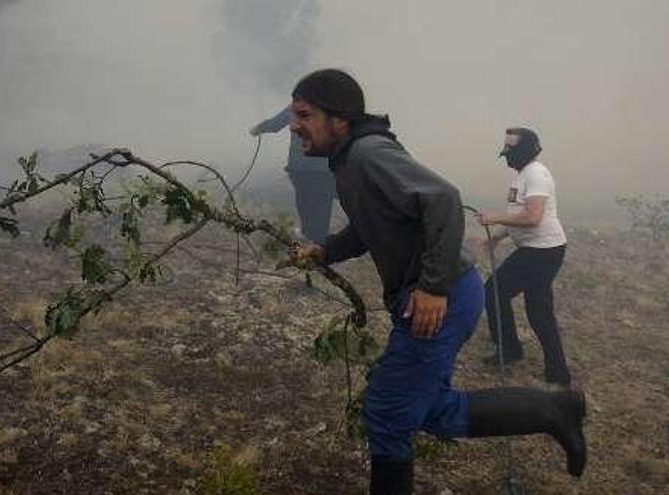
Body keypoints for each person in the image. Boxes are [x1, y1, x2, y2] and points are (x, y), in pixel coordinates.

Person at [288, 70, 586, 494]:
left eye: (304, 114)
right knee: (426, 409)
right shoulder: (349, 162)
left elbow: (442, 199)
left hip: (440, 295)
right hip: (440, 293)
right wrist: (325, 250)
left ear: (339, 120)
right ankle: (553, 409)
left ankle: (556, 410)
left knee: (388, 413)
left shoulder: (368, 153)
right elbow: (367, 226)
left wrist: (432, 287)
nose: (294, 124)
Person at [477, 128, 572, 387]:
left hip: (542, 251)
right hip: (539, 249)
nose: (506, 154)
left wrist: (495, 217)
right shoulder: (522, 176)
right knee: (537, 309)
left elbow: (533, 217)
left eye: (510, 149)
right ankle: (556, 371)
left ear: (525, 150)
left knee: (495, 292)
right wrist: (497, 236)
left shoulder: (536, 174)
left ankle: (510, 351)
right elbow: (518, 215)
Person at [250, 105, 336, 243]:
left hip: (301, 168)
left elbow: (275, 124)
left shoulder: (299, 106)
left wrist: (258, 129)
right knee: (322, 205)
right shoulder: (334, 107)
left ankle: (310, 237)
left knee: (304, 201)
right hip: (324, 169)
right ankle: (318, 241)